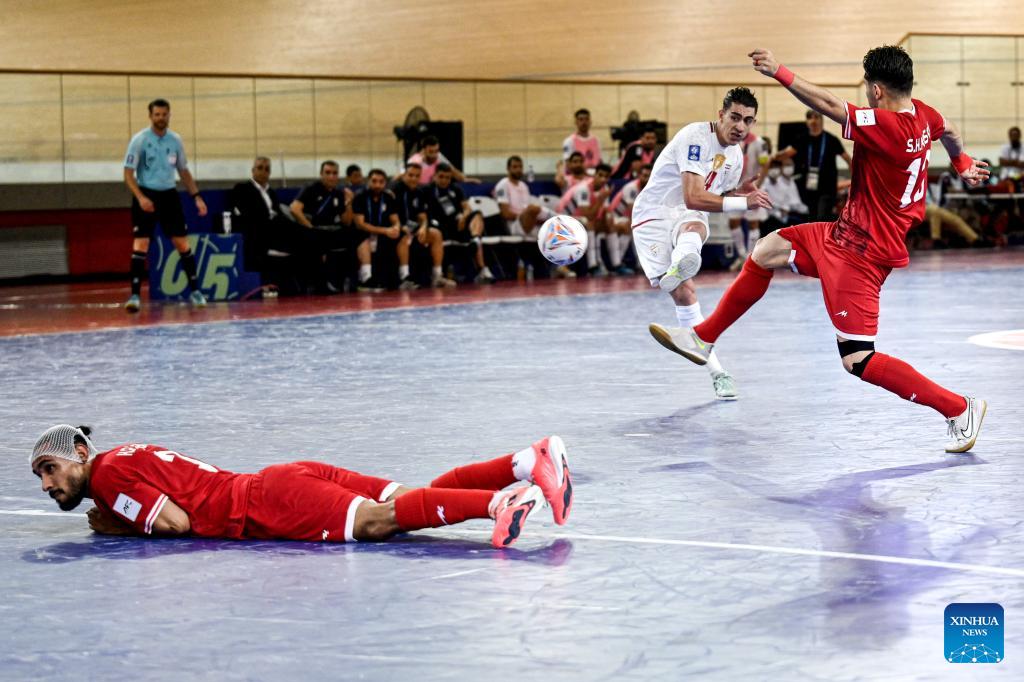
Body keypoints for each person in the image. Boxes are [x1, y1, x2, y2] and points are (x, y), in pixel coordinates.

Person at [668, 46, 989, 453]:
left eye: (867, 88)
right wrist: (961, 163)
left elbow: (831, 106)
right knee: (766, 251)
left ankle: (959, 408)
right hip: (841, 234)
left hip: (862, 254)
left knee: (858, 359)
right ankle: (703, 338)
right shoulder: (924, 115)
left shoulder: (889, 125)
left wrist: (779, 71)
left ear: (876, 90)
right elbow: (951, 131)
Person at [29, 424, 573, 549]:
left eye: (50, 468)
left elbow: (176, 524)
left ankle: (500, 503)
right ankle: (529, 460)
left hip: (266, 503)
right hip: (280, 479)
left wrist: (120, 526)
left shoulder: (108, 476)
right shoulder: (126, 454)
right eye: (40, 477)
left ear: (81, 452)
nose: (48, 483)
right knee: (413, 499)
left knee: (378, 522)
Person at [636, 87, 773, 401]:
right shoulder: (696, 137)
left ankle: (718, 373)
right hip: (653, 216)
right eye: (734, 117)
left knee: (695, 226)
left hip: (687, 215)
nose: (740, 126)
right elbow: (693, 196)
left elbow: (712, 196)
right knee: (684, 293)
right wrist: (744, 203)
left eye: (748, 120)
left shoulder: (735, 157)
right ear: (720, 114)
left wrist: (739, 192)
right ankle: (681, 264)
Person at [122, 98, 208, 313]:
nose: (161, 118)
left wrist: (196, 196)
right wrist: (141, 197)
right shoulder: (139, 140)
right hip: (146, 194)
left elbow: (183, 171)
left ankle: (196, 291)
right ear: (150, 116)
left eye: (164, 114)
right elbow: (128, 174)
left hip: (169, 195)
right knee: (141, 244)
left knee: (182, 244)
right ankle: (134, 296)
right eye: (157, 115)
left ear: (169, 115)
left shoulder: (175, 140)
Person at [289, 161, 366, 293]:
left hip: (330, 230)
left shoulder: (339, 193)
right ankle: (320, 284)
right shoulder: (311, 188)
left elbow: (346, 221)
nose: (331, 176)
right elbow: (294, 209)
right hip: (312, 229)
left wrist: (349, 203)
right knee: (316, 240)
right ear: (321, 174)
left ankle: (353, 279)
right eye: (328, 173)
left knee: (356, 234)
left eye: (334, 173)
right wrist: (311, 229)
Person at [391, 163, 462, 288]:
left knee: (436, 234)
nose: (414, 179)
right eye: (410, 175)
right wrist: (401, 226)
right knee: (404, 235)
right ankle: (404, 278)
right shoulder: (395, 190)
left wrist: (423, 227)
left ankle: (437, 276)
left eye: (417, 176)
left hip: (411, 226)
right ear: (404, 175)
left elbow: (422, 216)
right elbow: (391, 215)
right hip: (396, 226)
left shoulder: (419, 191)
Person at [776, 110, 852, 221]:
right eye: (810, 118)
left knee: (822, 217)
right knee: (811, 218)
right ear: (807, 121)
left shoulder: (831, 139)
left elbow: (847, 159)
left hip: (827, 187)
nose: (813, 121)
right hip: (809, 187)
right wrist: (771, 158)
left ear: (821, 120)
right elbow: (786, 154)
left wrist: (854, 176)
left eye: (816, 117)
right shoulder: (802, 139)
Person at [424, 164, 492, 285]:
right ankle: (440, 274)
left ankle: (476, 246)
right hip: (440, 225)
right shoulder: (428, 190)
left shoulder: (456, 189)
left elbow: (467, 207)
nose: (444, 180)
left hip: (459, 224)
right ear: (435, 176)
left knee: (477, 215)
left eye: (448, 178)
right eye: (441, 177)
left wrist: (464, 217)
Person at [228, 156, 292, 276]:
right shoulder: (243, 189)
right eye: (260, 168)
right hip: (258, 234)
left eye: (267, 169)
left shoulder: (271, 192)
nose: (263, 172)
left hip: (276, 230)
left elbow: (280, 214)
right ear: (253, 170)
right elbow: (245, 214)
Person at [352, 169, 408, 291]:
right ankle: (365, 279)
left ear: (385, 183)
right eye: (374, 181)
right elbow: (360, 224)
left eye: (381, 182)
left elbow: (395, 219)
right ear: (368, 181)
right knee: (363, 239)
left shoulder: (388, 197)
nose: (377, 185)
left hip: (382, 234)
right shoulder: (360, 197)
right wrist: (385, 231)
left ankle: (404, 276)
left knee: (403, 236)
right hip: (364, 233)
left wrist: (396, 228)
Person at [556, 162, 613, 276]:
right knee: (589, 224)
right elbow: (589, 216)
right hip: (562, 218)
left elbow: (603, 214)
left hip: (578, 218)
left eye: (606, 177)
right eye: (600, 175)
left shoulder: (604, 189)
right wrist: (600, 200)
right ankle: (592, 266)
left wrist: (606, 223)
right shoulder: (583, 189)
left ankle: (614, 265)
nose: (603, 179)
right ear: (594, 175)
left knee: (608, 226)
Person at [728, 132, 771, 270]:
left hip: (753, 186)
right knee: (733, 222)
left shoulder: (759, 143)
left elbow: (765, 164)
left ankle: (751, 258)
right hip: (736, 188)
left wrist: (758, 186)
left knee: (753, 223)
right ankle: (742, 256)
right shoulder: (731, 141)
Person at [605, 163, 653, 275]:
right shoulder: (631, 188)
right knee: (634, 228)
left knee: (640, 227)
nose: (646, 179)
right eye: (644, 175)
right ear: (639, 175)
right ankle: (618, 264)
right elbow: (632, 212)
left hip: (627, 219)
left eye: (649, 176)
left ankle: (640, 264)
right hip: (615, 217)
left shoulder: (650, 189)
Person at [759, 159, 809, 234]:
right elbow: (764, 203)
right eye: (772, 167)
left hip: (783, 217)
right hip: (769, 217)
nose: (774, 170)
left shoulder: (783, 186)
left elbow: (787, 201)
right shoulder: (764, 183)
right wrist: (779, 211)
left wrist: (785, 209)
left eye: (776, 167)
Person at [406, 135, 480, 185]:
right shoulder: (414, 161)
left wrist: (464, 179)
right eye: (431, 152)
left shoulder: (438, 156)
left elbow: (451, 169)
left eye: (436, 151)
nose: (434, 155)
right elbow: (404, 179)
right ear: (424, 150)